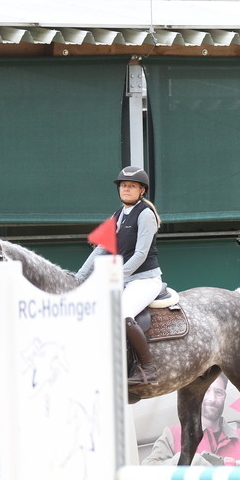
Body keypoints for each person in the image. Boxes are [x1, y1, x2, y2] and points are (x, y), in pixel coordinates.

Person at [77, 165, 165, 386]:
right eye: (124, 185)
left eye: (131, 186)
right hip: (126, 279)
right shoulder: (117, 214)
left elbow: (140, 254)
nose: (126, 189)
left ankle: (148, 367)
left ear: (141, 190)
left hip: (145, 280)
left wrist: (115, 276)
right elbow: (101, 248)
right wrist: (79, 278)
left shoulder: (145, 214)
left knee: (121, 314)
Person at [142, 374, 240, 467]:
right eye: (206, 391)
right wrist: (184, 463)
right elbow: (147, 474)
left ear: (224, 396)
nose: (212, 399)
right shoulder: (172, 435)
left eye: (218, 392)